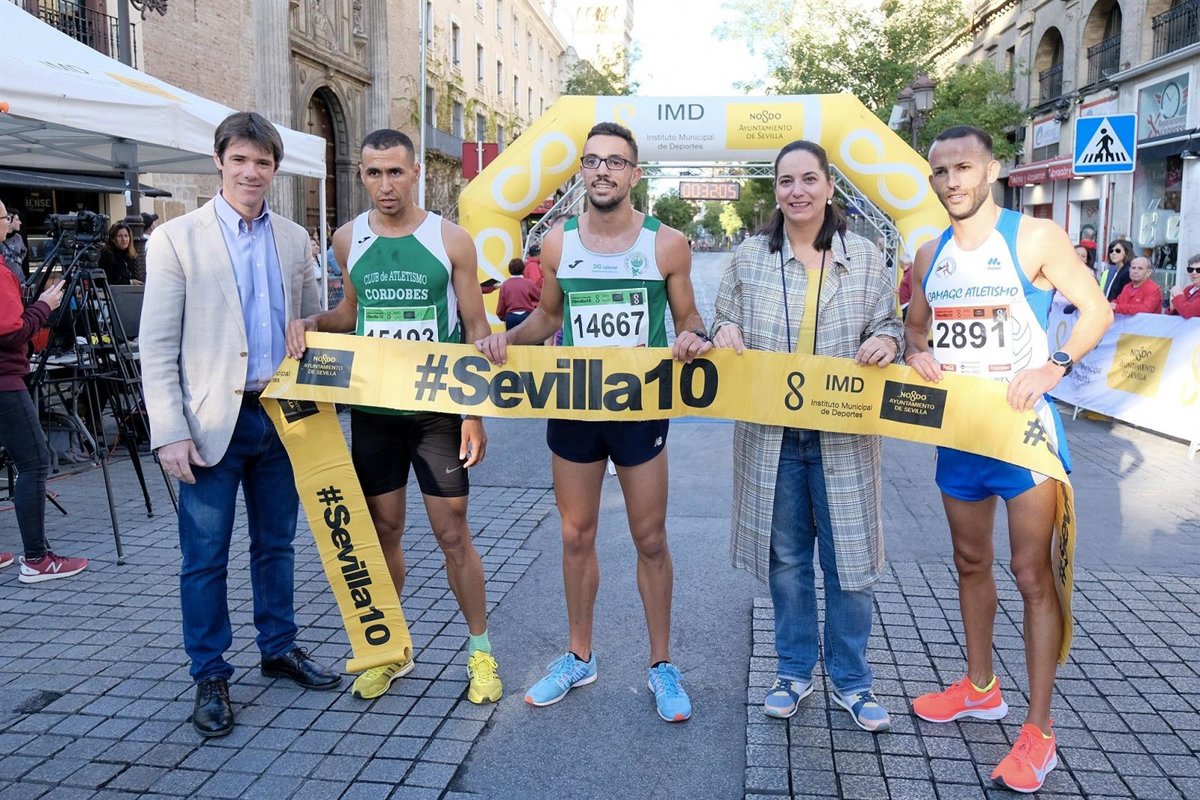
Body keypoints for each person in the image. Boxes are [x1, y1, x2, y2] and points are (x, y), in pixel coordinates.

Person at [475, 122, 711, 723]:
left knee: (650, 539)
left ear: (635, 174)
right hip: (575, 406)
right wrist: (505, 340)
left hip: (638, 410)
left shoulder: (666, 244)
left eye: (615, 161)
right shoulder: (557, 243)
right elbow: (548, 319)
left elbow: (689, 318)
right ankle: (580, 656)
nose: (603, 170)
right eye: (593, 161)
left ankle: (662, 664)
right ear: (582, 171)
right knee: (575, 534)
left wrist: (694, 337)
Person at [903, 126, 1112, 793]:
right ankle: (980, 686)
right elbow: (915, 328)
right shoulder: (930, 252)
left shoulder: (1034, 238)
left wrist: (1054, 366)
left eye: (964, 167)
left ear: (991, 170)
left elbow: (1097, 310)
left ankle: (1039, 732)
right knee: (970, 563)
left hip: (1024, 438)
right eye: (941, 172)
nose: (952, 181)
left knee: (1031, 574)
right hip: (960, 432)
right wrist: (917, 354)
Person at [141, 112, 340, 739]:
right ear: (219, 162)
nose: (251, 172)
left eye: (263, 162)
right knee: (204, 557)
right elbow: (157, 346)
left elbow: (310, 326)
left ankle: (278, 647)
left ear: (275, 168)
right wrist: (169, 430)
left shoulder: (294, 239)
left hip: (281, 418)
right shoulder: (177, 240)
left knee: (276, 545)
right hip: (208, 425)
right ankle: (210, 674)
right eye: (240, 160)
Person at [285, 129, 501, 706]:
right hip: (374, 410)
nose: (386, 184)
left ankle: (480, 651)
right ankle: (389, 650)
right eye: (374, 173)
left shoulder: (450, 239)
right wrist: (313, 323)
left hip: (437, 412)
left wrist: (474, 413)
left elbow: (476, 329)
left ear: (415, 174)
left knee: (453, 533)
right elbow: (351, 313)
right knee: (383, 531)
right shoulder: (346, 238)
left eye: (396, 172)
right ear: (362, 175)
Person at [713, 140, 901, 732]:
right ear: (776, 190)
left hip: (844, 435)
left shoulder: (865, 257)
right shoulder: (749, 257)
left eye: (809, 179)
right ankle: (793, 671)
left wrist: (887, 341)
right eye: (786, 181)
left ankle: (852, 680)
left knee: (851, 562)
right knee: (788, 560)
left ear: (829, 186)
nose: (797, 191)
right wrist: (724, 331)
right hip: (772, 436)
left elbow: (890, 323)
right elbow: (721, 317)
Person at [0, 199, 87, 583]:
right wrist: (43, 306)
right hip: (5, 381)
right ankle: (37, 558)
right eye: (6, 217)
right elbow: (12, 330)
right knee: (34, 461)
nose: (10, 222)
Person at [496, 257, 541, 329]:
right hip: (527, 316)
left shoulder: (505, 285)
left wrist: (503, 316)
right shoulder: (528, 283)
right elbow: (539, 296)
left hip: (511, 317)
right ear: (523, 269)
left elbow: (501, 306)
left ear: (509, 270)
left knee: (512, 336)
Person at [1168, 253, 1200, 318]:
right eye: (1190, 269)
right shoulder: (1188, 289)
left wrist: (1178, 296)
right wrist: (1172, 309)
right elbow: (1172, 315)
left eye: (1198, 270)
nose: (1194, 273)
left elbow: (1188, 312)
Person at [1, 209, 27, 280]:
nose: (20, 222)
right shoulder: (1, 238)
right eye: (17, 219)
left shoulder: (18, 237)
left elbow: (24, 251)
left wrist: (17, 260)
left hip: (19, 278)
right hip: (5, 278)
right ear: (9, 220)